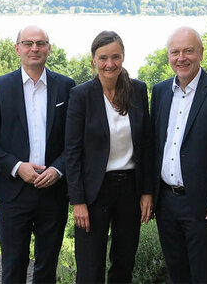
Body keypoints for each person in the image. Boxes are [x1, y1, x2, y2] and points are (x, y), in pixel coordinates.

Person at [0, 25, 75, 283]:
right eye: (28, 43)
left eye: (40, 43)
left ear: (49, 49)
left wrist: (57, 169)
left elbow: (75, 141)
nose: (34, 48)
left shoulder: (66, 86)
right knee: (13, 266)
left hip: (53, 191)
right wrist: (17, 166)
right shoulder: (0, 86)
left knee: (47, 267)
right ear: (17, 48)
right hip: (13, 192)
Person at [151, 27, 207, 283]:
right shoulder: (159, 92)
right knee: (176, 273)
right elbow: (155, 145)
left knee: (202, 275)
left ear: (201, 53)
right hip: (166, 202)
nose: (182, 58)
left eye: (188, 51)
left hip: (202, 204)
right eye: (175, 52)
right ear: (168, 56)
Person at [65, 31, 153, 283]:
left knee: (124, 264)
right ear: (93, 59)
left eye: (115, 57)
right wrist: (78, 201)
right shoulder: (80, 95)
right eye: (103, 57)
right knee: (90, 269)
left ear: (123, 57)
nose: (110, 63)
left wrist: (147, 191)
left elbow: (146, 145)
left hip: (130, 189)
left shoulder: (137, 90)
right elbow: (72, 151)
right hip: (94, 192)